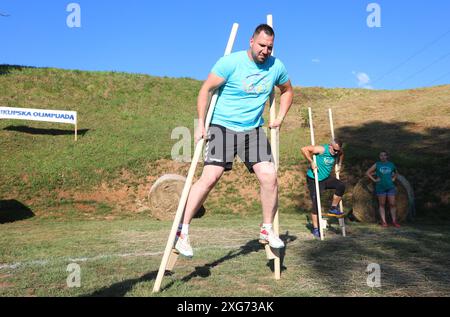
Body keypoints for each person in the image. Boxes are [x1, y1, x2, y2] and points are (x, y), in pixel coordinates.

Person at [175, 24, 294, 257]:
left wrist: (279, 117)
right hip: (222, 126)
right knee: (210, 177)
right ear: (251, 41)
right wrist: (200, 122)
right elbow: (206, 89)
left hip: (253, 130)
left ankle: (267, 229)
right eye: (261, 45)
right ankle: (182, 231)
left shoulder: (276, 66)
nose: (265, 51)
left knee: (269, 174)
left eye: (270, 47)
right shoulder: (230, 62)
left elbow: (287, 90)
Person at [301, 140, 346, 239]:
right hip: (314, 178)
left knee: (341, 186)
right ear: (330, 146)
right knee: (316, 203)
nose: (336, 152)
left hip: (325, 178)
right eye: (335, 150)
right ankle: (316, 229)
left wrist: (339, 164)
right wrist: (311, 161)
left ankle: (333, 208)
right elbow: (304, 149)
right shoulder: (322, 149)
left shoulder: (338, 151)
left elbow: (342, 154)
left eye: (338, 150)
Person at [366, 151, 400, 228]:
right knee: (382, 204)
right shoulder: (377, 164)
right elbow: (368, 172)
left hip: (390, 187)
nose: (383, 157)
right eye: (381, 155)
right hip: (380, 187)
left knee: (392, 204)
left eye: (384, 155)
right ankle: (384, 222)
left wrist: (394, 178)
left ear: (387, 156)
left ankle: (394, 221)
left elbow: (396, 172)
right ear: (379, 157)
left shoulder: (391, 164)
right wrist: (374, 180)